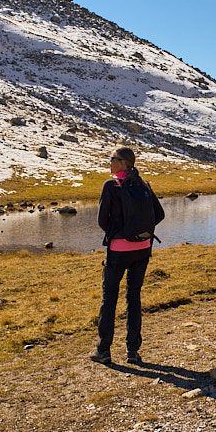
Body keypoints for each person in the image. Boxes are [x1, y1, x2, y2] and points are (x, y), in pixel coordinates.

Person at [91, 147, 165, 365]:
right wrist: (139, 235)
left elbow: (102, 221)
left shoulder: (111, 185)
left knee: (109, 299)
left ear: (123, 163)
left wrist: (118, 234)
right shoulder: (144, 184)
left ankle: (103, 351)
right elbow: (159, 214)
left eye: (112, 159)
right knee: (133, 297)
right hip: (142, 250)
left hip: (118, 251)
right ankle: (133, 352)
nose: (109, 162)